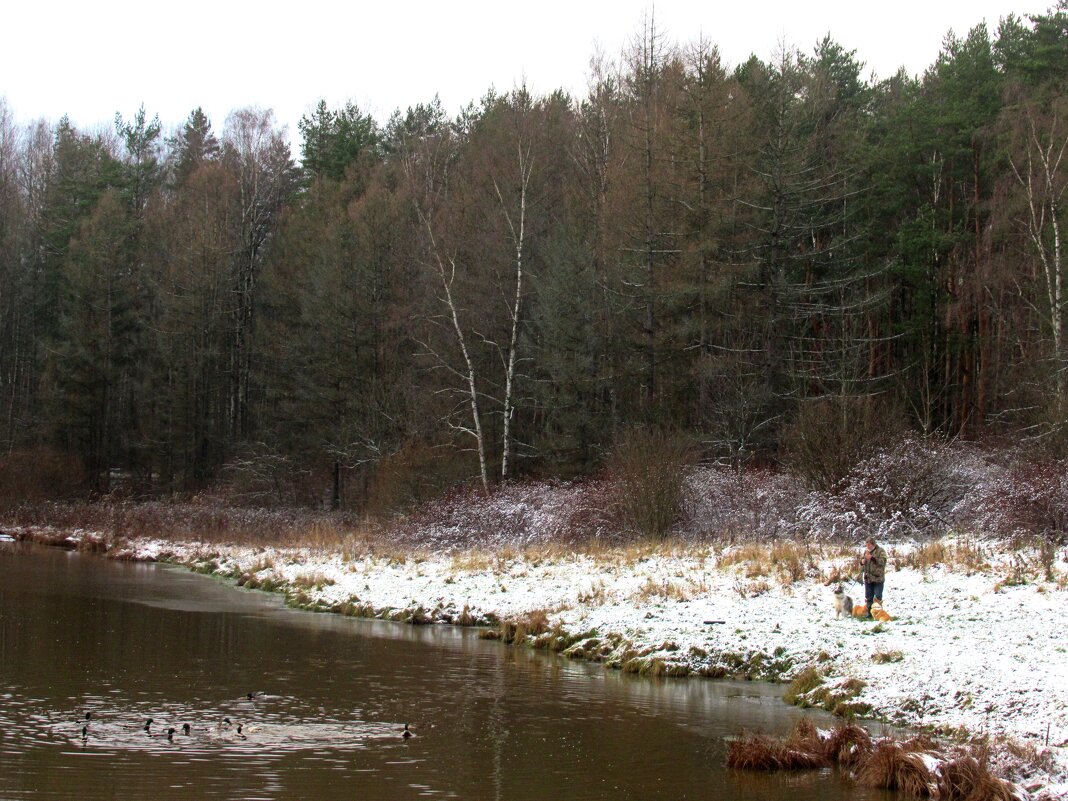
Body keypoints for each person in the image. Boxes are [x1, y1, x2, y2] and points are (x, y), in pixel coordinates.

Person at [859, 537, 887, 618]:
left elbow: (883, 562)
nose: (867, 546)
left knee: (877, 597)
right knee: (868, 597)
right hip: (868, 578)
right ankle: (869, 613)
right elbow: (862, 561)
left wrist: (872, 558)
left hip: (878, 578)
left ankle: (878, 613)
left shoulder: (880, 551)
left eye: (868, 545)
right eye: (866, 545)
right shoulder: (866, 551)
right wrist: (862, 562)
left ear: (872, 544)